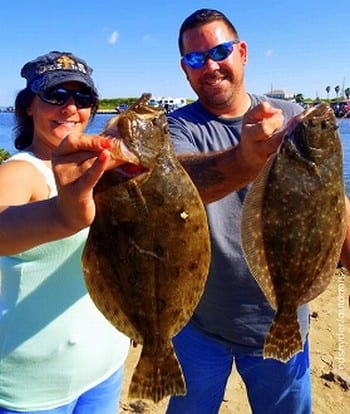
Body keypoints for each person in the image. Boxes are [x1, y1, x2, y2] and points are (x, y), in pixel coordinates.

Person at [166, 9, 314, 414]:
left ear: (242, 52)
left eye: (220, 51)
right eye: (196, 59)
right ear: (185, 69)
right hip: (198, 324)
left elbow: (331, 202)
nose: (210, 66)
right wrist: (244, 158)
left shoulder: (290, 119)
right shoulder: (178, 128)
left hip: (281, 318)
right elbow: (178, 186)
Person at [0, 51, 132, 413]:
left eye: (83, 98)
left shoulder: (105, 168)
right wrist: (62, 215)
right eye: (56, 96)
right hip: (33, 389)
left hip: (107, 365)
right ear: (28, 106)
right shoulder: (20, 172)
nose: (71, 108)